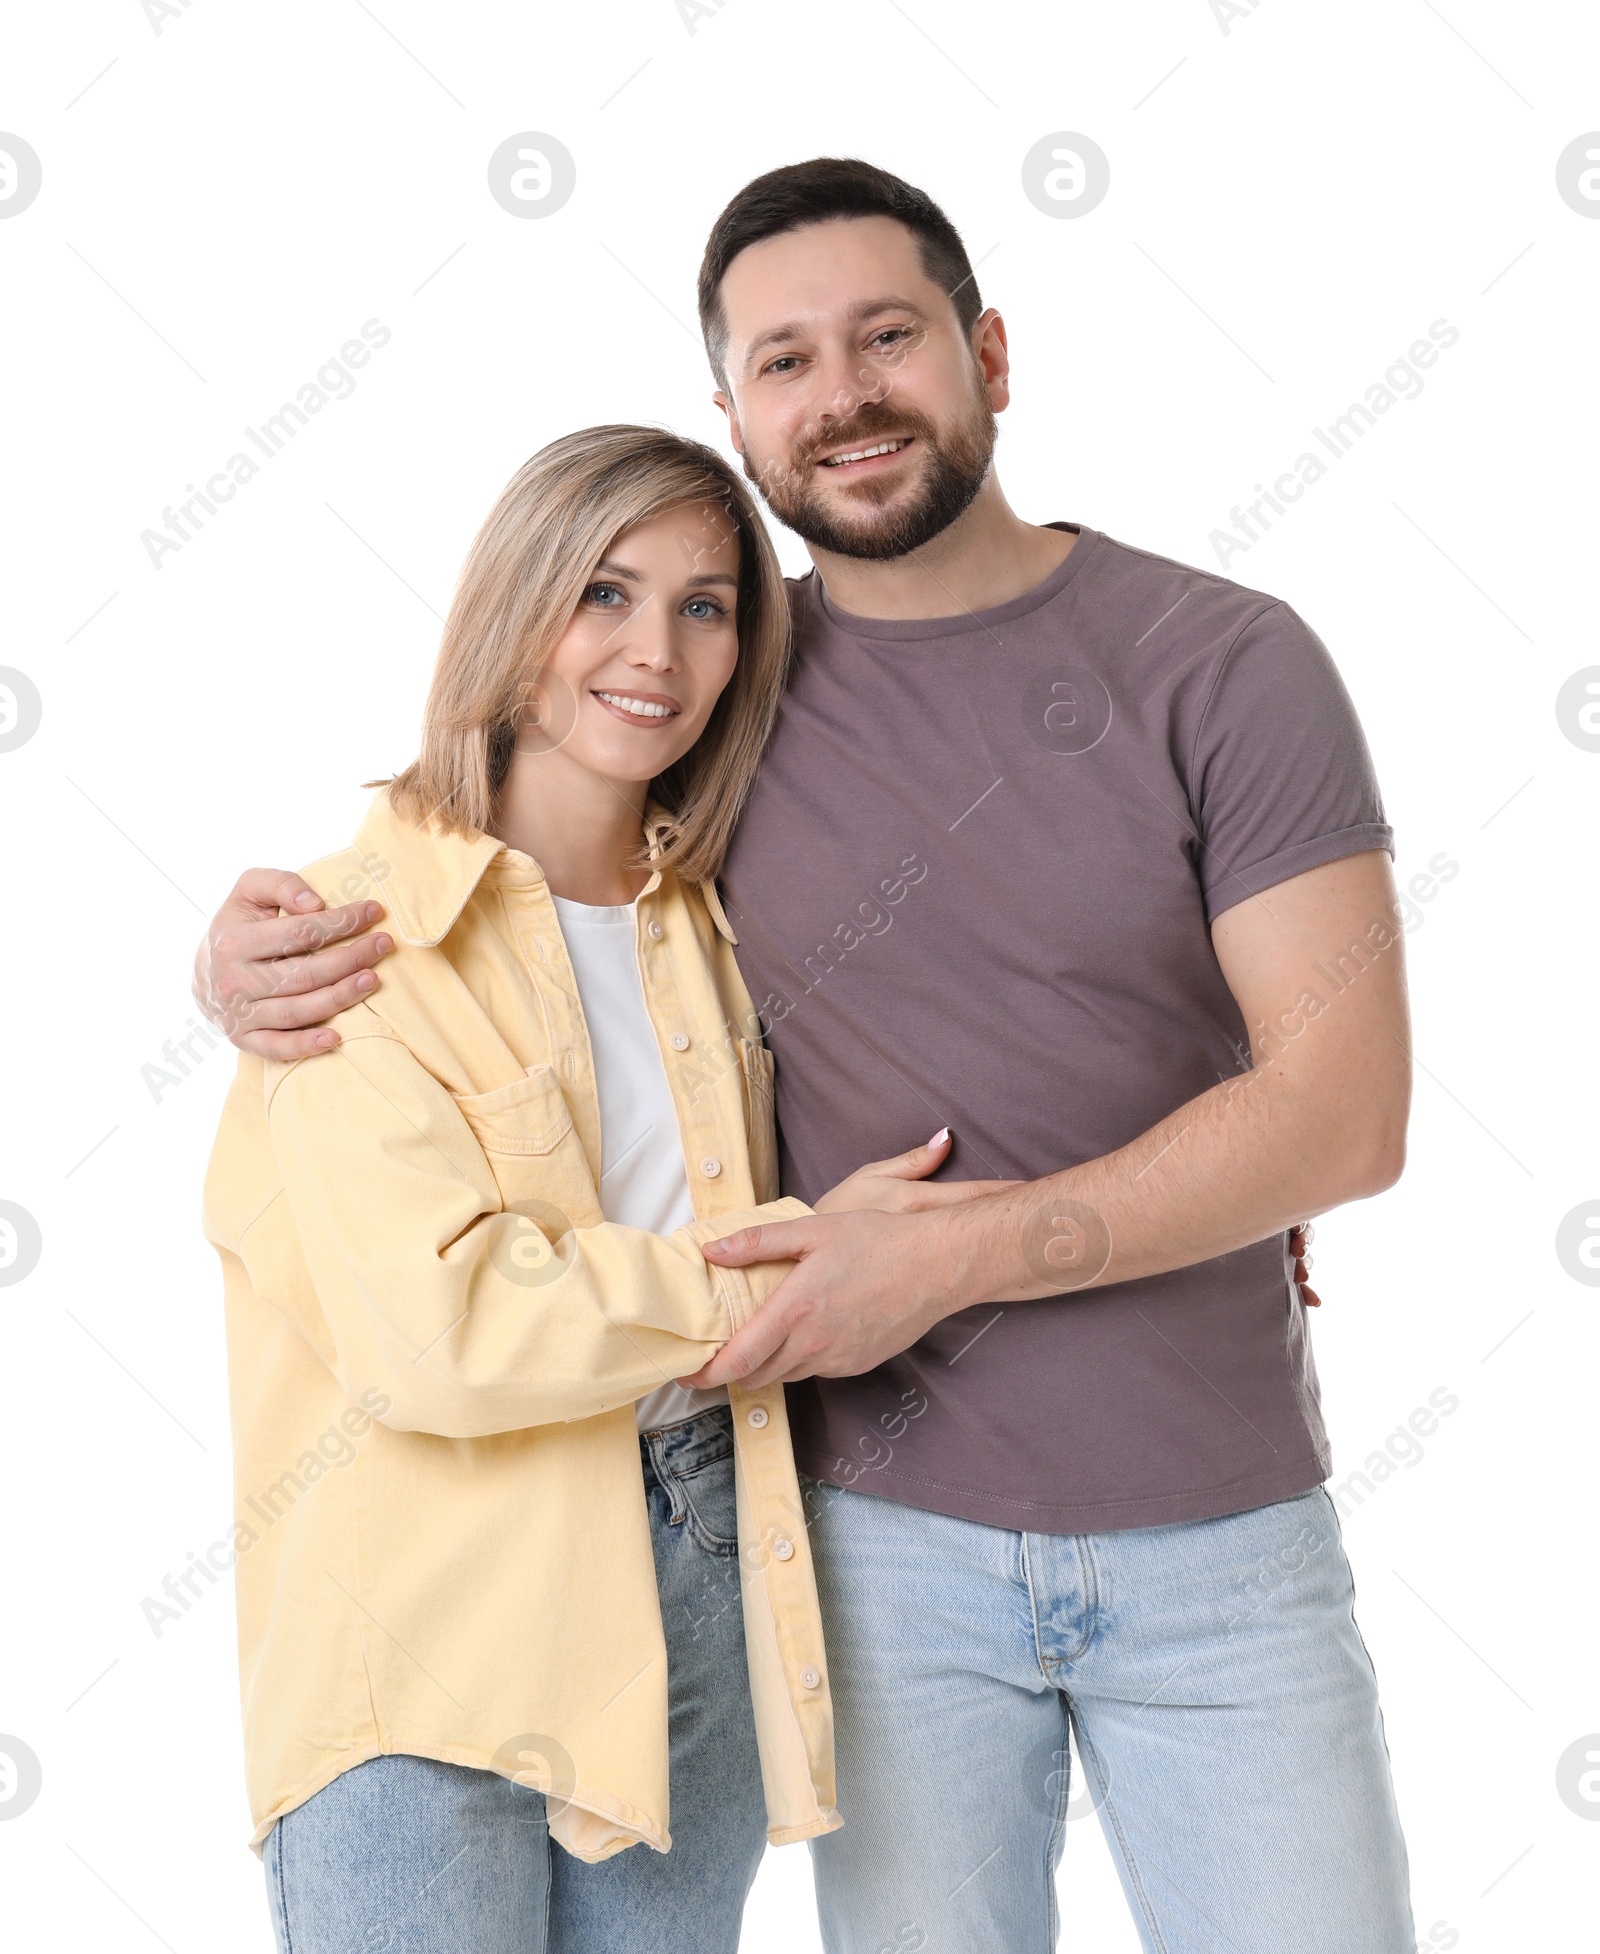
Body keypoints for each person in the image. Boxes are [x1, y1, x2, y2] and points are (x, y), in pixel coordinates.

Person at [196, 161, 1418, 1953]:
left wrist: (984, 1241)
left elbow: (1345, 1109)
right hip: (866, 1543)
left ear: (990, 352)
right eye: (784, 359)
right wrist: (243, 960)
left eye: (889, 336)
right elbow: (492, 876)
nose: (841, 392)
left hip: (1215, 1526)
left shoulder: (1217, 663)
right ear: (736, 411)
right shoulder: (718, 706)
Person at [201, 423, 986, 1954]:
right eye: (606, 593)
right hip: (423, 1615)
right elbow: (442, 1327)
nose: (656, 650)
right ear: (517, 612)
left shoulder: (720, 921)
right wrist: (803, 1274)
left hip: (698, 1571)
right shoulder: (355, 938)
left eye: (707, 605)